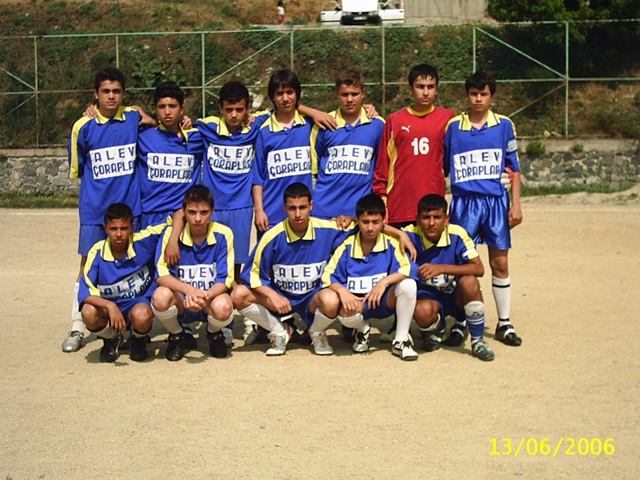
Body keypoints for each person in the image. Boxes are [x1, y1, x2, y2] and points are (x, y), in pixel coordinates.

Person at [63, 67, 155, 353]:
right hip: (95, 211)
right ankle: (78, 327)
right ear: (96, 94)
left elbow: (158, 124)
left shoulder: (133, 118)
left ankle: (134, 325)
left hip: (129, 212)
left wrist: (150, 116)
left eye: (116, 91)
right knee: (86, 268)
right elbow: (80, 169)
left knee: (134, 264)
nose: (111, 96)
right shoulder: (83, 126)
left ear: (124, 94)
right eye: (105, 91)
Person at [443, 71, 523, 347]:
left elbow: (514, 168)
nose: (478, 99)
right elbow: (442, 167)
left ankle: (504, 323)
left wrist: (516, 204)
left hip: (495, 203)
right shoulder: (454, 126)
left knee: (500, 263)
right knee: (463, 265)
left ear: (492, 95)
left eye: (484, 94)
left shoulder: (504, 125)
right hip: (464, 203)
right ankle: (461, 321)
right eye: (474, 93)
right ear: (467, 95)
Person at [232, 182, 357, 356]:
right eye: (292, 208)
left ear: (311, 206)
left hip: (313, 298)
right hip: (281, 297)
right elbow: (251, 275)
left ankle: (316, 332)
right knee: (238, 294)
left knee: (331, 300)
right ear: (284, 207)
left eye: (302, 207)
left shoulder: (328, 229)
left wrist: (352, 218)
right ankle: (280, 331)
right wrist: (273, 296)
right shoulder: (272, 236)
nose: (297, 214)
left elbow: (368, 226)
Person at [320, 193, 419, 361]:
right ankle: (362, 329)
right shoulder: (346, 245)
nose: (370, 228)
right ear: (357, 220)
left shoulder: (392, 242)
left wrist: (384, 282)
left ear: (384, 221)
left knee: (408, 285)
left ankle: (401, 340)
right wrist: (342, 292)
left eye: (375, 222)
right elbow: (328, 276)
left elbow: (406, 269)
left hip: (384, 301)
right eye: (365, 222)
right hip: (357, 303)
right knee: (344, 313)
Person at [403, 194, 494, 361]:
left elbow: (478, 268)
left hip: (455, 295)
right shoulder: (409, 234)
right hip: (429, 297)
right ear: (417, 219)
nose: (431, 223)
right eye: (426, 217)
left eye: (437, 217)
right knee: (421, 311)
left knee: (470, 281)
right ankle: (439, 328)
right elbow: (377, 227)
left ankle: (477, 340)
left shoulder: (457, 233)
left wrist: (441, 268)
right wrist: (398, 234)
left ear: (446, 219)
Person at [151, 185, 235, 361]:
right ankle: (177, 334)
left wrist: (204, 296)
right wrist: (189, 291)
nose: (198, 218)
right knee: (160, 297)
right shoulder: (170, 235)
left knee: (224, 307)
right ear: (183, 211)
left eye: (204, 212)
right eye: (192, 212)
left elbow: (225, 279)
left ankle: (213, 333)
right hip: (181, 299)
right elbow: (161, 275)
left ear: (212, 211)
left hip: (208, 298)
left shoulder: (224, 234)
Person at [79, 203, 166, 363]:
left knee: (142, 316)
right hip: (109, 306)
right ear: (105, 228)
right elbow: (85, 293)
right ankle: (111, 338)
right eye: (113, 229)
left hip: (137, 304)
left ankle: (137, 339)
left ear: (132, 227)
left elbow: (173, 220)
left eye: (124, 228)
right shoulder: (97, 251)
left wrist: (172, 242)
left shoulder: (143, 241)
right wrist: (110, 306)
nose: (118, 234)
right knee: (88, 312)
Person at [373, 63, 455, 228]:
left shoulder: (448, 118)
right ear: (410, 89)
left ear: (436, 89)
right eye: (420, 87)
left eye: (430, 87)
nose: (425, 92)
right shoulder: (395, 119)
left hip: (433, 208)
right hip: (400, 206)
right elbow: (383, 164)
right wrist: (381, 198)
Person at [311, 69, 385, 220]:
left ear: (363, 93)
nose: (350, 99)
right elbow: (315, 170)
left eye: (354, 94)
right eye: (344, 94)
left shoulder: (378, 125)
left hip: (360, 213)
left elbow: (381, 167)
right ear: (337, 94)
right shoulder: (324, 124)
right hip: (323, 210)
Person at [251, 70, 315, 237]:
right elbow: (258, 177)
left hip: (302, 217)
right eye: (279, 93)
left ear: (297, 94)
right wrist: (259, 210)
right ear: (272, 97)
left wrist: (366, 108)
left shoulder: (310, 126)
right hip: (271, 216)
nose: (285, 98)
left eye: (290, 92)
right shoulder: (264, 131)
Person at [137, 81, 204, 229]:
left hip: (183, 216)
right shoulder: (143, 135)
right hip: (150, 215)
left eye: (172, 106)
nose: (167, 112)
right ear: (155, 109)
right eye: (162, 107)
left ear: (182, 109)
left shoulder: (197, 138)